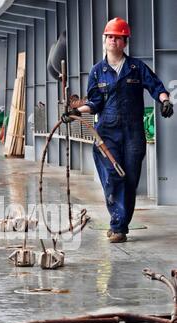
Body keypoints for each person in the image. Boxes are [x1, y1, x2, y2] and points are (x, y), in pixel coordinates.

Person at [66, 17, 174, 243]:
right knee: (114, 176)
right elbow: (94, 102)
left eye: (118, 37)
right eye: (110, 37)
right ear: (105, 40)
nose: (113, 41)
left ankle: (121, 226)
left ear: (125, 42)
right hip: (106, 132)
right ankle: (117, 225)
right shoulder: (97, 71)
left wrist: (165, 101)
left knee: (130, 179)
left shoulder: (136, 67)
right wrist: (77, 112)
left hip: (133, 132)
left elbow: (156, 86)